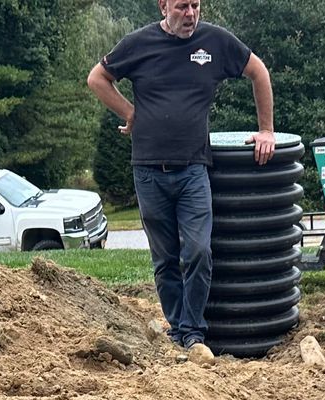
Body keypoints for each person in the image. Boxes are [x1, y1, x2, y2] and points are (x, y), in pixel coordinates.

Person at [87, 0, 274, 363]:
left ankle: (192, 333)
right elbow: (97, 78)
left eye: (196, 5)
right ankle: (177, 331)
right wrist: (130, 112)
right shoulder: (138, 44)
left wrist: (265, 130)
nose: (190, 14)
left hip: (193, 169)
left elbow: (259, 72)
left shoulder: (215, 42)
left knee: (199, 251)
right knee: (165, 259)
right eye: (181, 6)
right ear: (163, 6)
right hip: (147, 169)